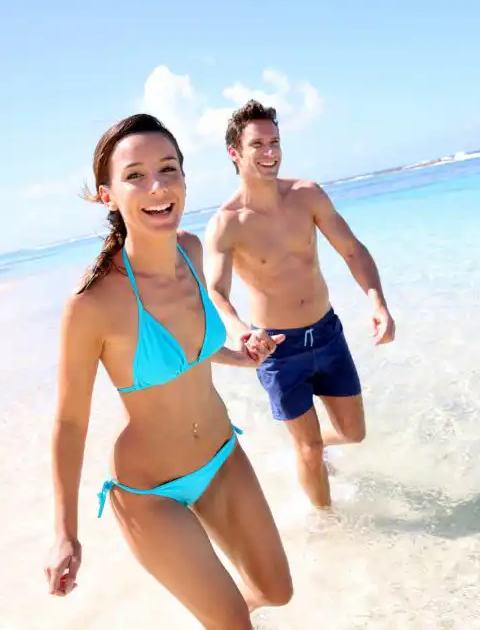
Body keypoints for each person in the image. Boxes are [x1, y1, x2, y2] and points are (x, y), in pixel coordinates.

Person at [43, 113, 294, 629]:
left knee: (277, 591)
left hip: (222, 458)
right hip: (150, 493)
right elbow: (69, 422)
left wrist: (239, 355)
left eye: (167, 169)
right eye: (135, 176)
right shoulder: (92, 304)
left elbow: (187, 353)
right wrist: (65, 532)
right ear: (108, 195)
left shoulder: (191, 250)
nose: (157, 187)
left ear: (183, 177)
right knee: (235, 625)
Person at [204, 99, 395, 511]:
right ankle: (327, 525)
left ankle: (308, 450)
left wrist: (377, 301)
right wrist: (242, 334)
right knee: (308, 447)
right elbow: (215, 292)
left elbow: (352, 249)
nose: (270, 152)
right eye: (257, 144)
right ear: (234, 153)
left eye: (274, 142)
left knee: (353, 433)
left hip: (327, 333)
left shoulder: (306, 195)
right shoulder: (227, 223)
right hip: (277, 349)